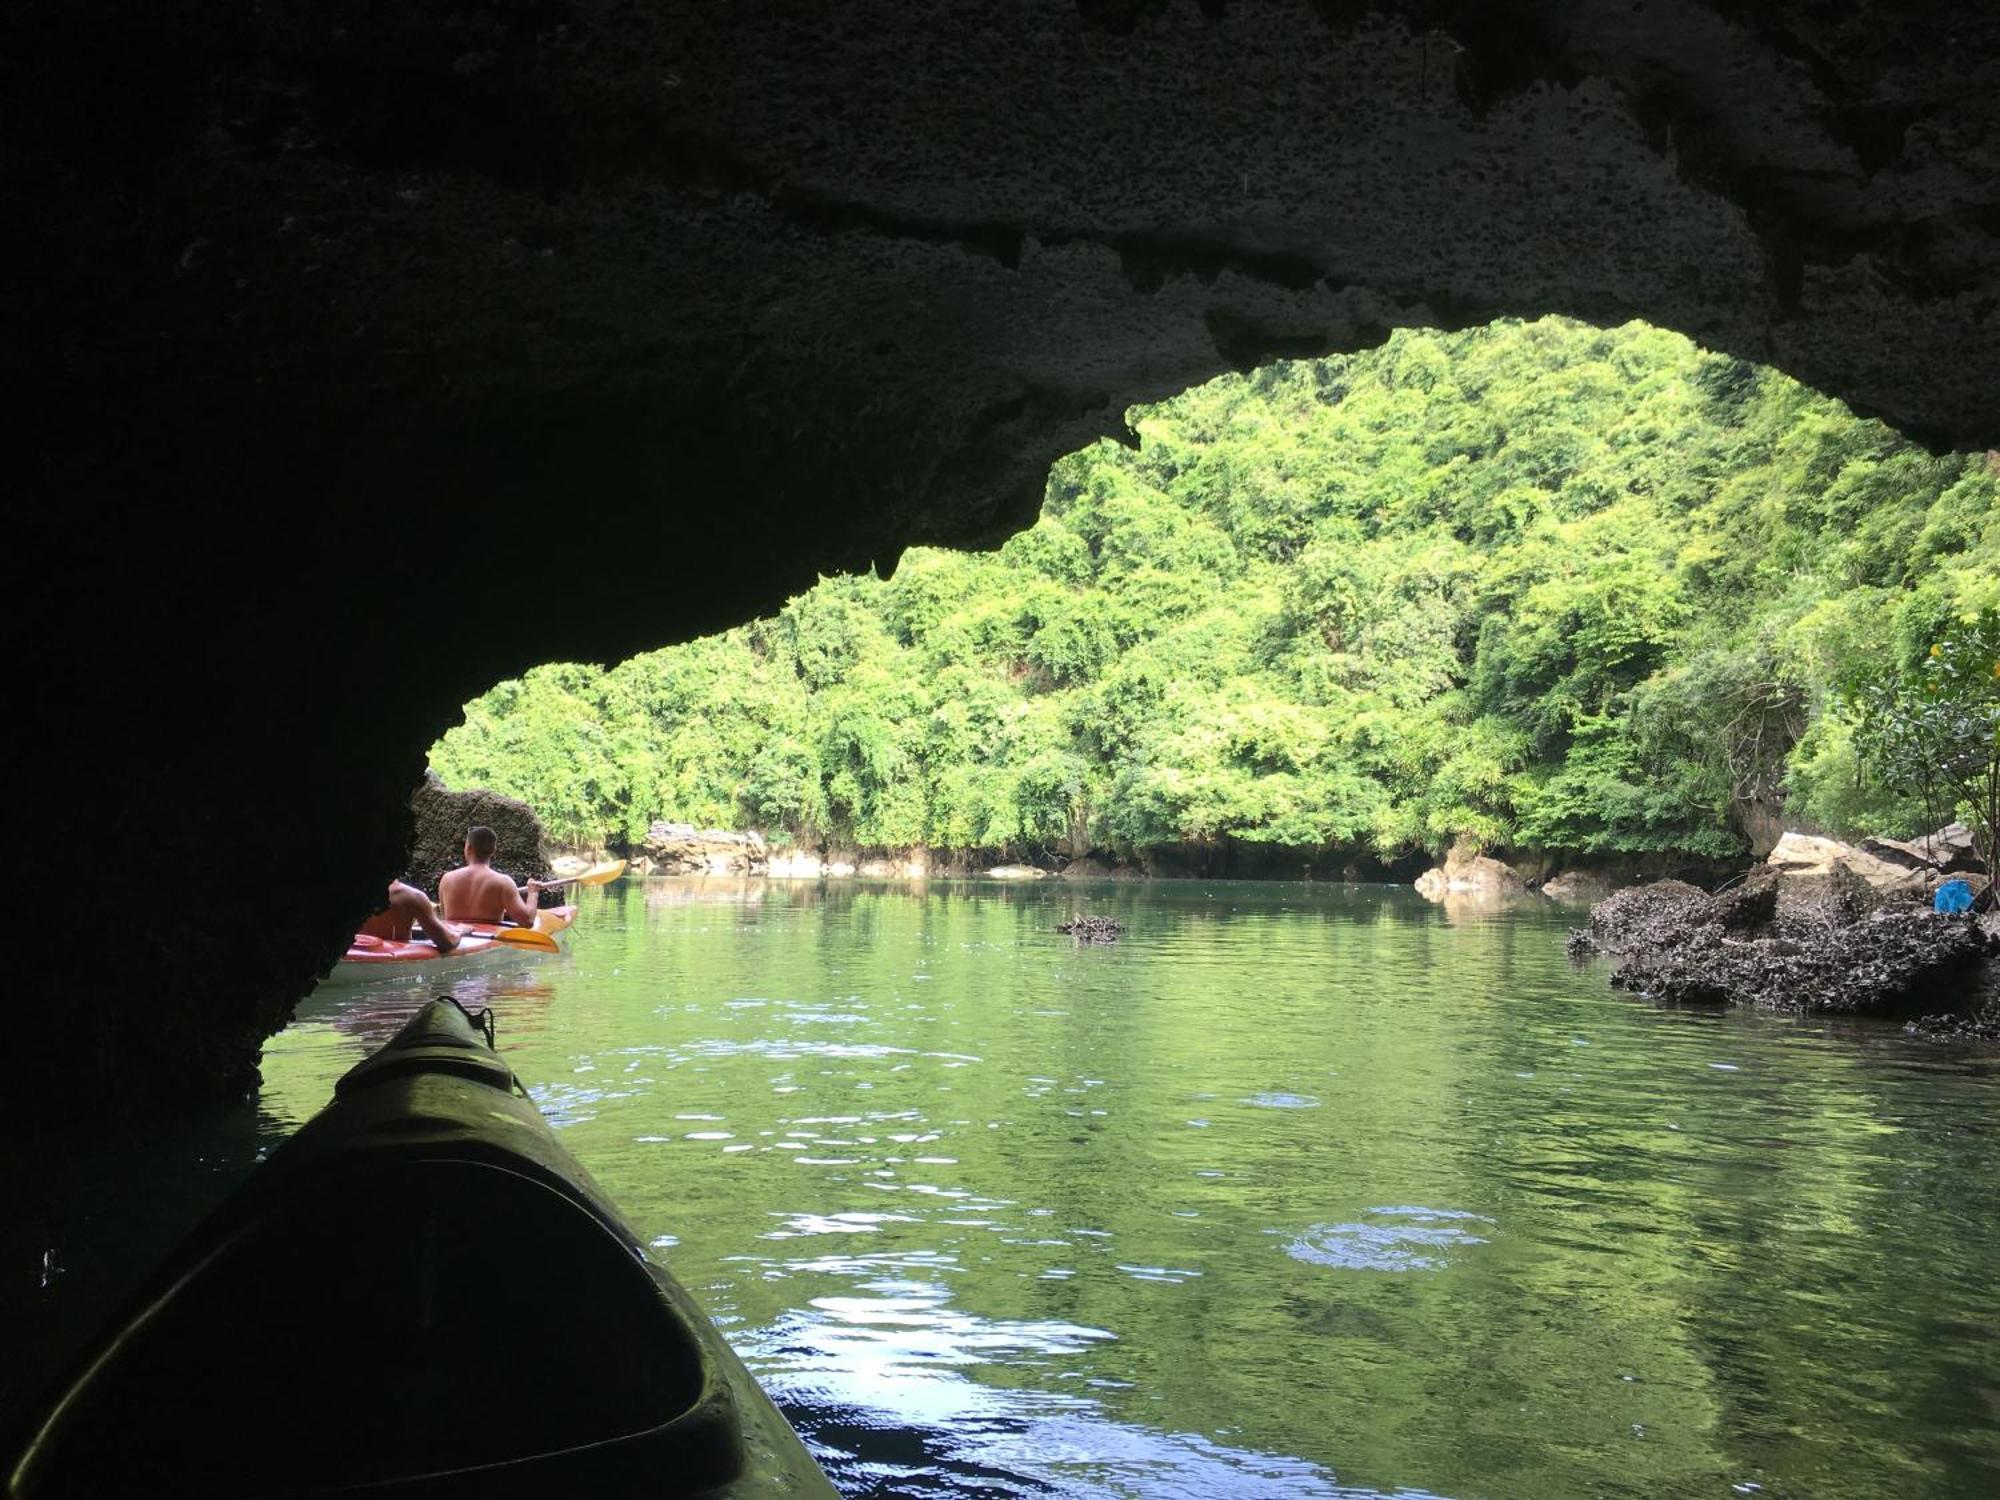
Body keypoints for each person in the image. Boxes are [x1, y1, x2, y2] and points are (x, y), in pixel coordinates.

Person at [439, 825, 546, 925]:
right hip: (487, 940)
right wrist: (533, 892)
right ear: (494, 851)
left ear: (468, 848)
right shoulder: (503, 882)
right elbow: (527, 920)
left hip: (456, 942)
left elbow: (444, 918)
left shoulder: (447, 879)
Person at [357, 880, 461, 953]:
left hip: (353, 956)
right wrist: (459, 933)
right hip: (395, 967)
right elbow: (447, 943)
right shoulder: (412, 896)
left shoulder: (345, 891)